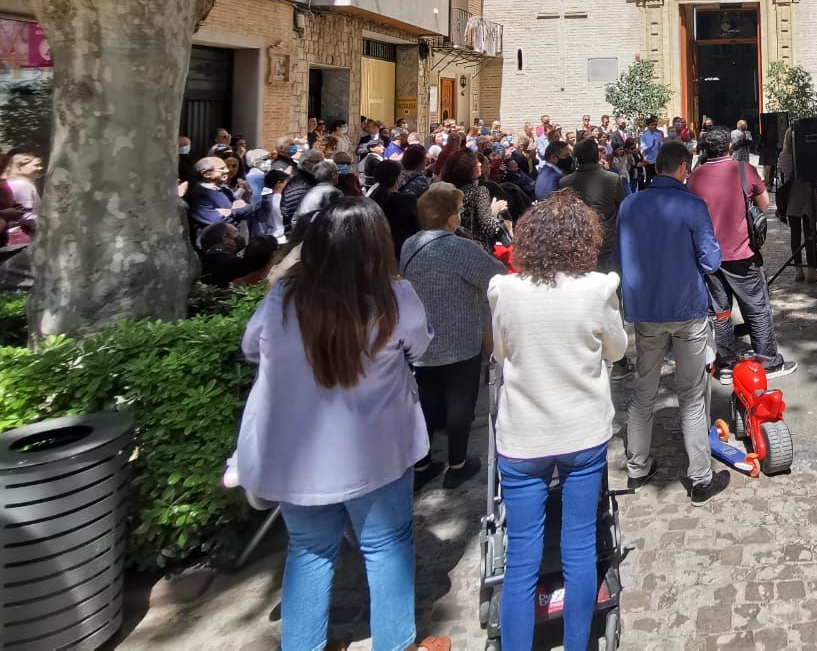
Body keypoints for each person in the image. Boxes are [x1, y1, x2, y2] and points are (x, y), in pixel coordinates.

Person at [232, 196, 451, 651]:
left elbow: (252, 348)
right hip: (376, 451)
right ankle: (396, 643)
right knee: (386, 547)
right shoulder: (394, 298)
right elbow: (421, 350)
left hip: (299, 459)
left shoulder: (283, 300)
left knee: (309, 552)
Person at [490, 190, 626, 651]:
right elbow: (617, 349)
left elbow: (500, 351)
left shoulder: (505, 291)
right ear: (584, 242)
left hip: (523, 434)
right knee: (579, 544)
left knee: (522, 555)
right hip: (580, 430)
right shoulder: (597, 289)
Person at [618, 139, 731, 505]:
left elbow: (623, 255)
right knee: (692, 394)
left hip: (646, 309)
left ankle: (637, 466)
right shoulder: (692, 206)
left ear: (655, 167)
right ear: (684, 168)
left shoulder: (630, 205)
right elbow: (712, 261)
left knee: (643, 390)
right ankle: (700, 476)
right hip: (687, 309)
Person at [399, 184, 506, 490]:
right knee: (461, 402)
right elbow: (494, 273)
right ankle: (457, 464)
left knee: (426, 400)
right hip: (459, 334)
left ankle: (421, 462)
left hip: (420, 335)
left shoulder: (410, 244)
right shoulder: (458, 248)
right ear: (450, 218)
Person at [688, 126, 796, 377]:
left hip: (710, 256)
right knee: (756, 306)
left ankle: (725, 363)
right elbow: (764, 204)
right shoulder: (744, 170)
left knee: (721, 311)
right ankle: (769, 360)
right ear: (730, 147)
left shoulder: (695, 177)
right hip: (742, 253)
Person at [557, 137, 627, 274]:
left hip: (579, 242)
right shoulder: (612, 179)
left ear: (576, 157)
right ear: (597, 156)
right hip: (606, 242)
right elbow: (622, 207)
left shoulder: (565, 182)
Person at [776, 127, 817, 282]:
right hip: (807, 194)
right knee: (810, 234)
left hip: (792, 197)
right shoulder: (808, 155)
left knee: (795, 234)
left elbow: (784, 176)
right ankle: (811, 270)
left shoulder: (783, 156)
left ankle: (798, 270)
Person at [441, 151, 510, 253]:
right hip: (476, 250)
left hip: (450, 248)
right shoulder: (479, 192)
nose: (480, 164)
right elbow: (489, 227)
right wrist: (495, 211)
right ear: (467, 169)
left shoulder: (445, 191)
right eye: (476, 162)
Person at [187, 156, 253, 242]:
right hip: (212, 245)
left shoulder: (225, 190)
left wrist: (229, 212)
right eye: (222, 168)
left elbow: (241, 209)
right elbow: (216, 221)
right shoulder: (197, 195)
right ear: (206, 174)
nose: (227, 171)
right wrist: (234, 212)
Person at [369, 160, 421, 256]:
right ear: (397, 177)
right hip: (401, 251)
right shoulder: (407, 201)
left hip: (375, 250)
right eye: (401, 175)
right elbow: (417, 228)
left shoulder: (372, 197)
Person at [640, 116, 664, 181]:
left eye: (655, 125)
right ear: (648, 126)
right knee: (648, 179)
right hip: (648, 161)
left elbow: (661, 148)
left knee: (657, 179)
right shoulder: (644, 136)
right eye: (652, 125)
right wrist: (651, 145)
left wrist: (660, 144)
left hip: (657, 160)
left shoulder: (658, 134)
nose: (654, 126)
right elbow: (644, 148)